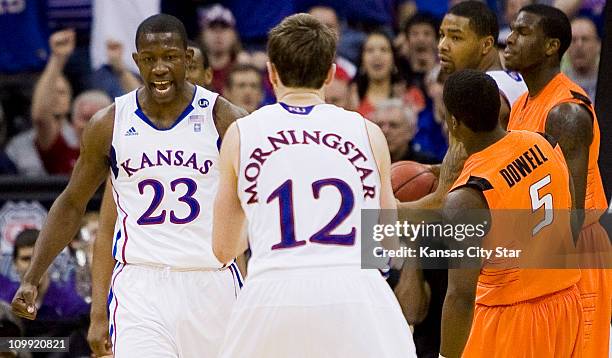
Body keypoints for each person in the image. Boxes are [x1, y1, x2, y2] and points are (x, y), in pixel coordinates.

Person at [11, 14, 247, 358]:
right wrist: (33, 276)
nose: (160, 68)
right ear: (136, 61)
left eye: (169, 57)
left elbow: (261, 200)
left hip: (212, 281)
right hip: (140, 285)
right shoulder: (109, 122)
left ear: (188, 58)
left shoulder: (225, 118)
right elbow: (73, 202)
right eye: (149, 59)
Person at [211, 13, 416, 357]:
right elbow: (386, 244)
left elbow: (223, 249)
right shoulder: (368, 132)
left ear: (271, 73)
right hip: (355, 293)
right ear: (331, 73)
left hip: (273, 292)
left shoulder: (241, 133)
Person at [440, 69, 582, 357]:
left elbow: (460, 296)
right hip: (566, 303)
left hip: (511, 318)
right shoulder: (545, 142)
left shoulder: (468, 197)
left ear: (454, 123)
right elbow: (573, 215)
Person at [505, 5, 611, 357]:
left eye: (523, 33)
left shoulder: (566, 112)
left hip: (575, 254)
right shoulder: (522, 103)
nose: (511, 40)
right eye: (511, 30)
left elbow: (571, 218)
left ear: (551, 46)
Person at [439, 1, 527, 127]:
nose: (442, 46)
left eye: (456, 38)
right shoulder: (513, 80)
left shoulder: (482, 96)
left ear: (486, 45)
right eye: (442, 35)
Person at [370, 98, 437, 164]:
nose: (385, 131)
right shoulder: (364, 163)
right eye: (379, 125)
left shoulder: (427, 165)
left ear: (411, 131)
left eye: (393, 125)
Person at [564, 16, 600, 102]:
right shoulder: (556, 83)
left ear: (598, 45)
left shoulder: (608, 82)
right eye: (573, 40)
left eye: (585, 39)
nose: (579, 45)